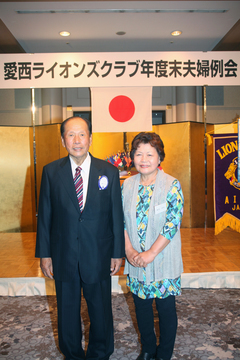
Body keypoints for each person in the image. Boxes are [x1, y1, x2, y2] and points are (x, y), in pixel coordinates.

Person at [35, 116, 125, 360]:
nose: (77, 140)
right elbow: (45, 216)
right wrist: (45, 254)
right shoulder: (51, 172)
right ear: (63, 139)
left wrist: (117, 252)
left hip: (99, 254)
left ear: (91, 138)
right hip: (63, 255)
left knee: (100, 311)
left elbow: (116, 215)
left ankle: (100, 353)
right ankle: (72, 354)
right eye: (71, 135)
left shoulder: (109, 172)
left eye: (82, 134)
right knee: (67, 311)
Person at [121, 132, 184, 360]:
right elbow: (120, 221)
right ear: (132, 158)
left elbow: (172, 224)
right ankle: (148, 349)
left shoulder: (171, 185)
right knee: (141, 308)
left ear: (160, 158)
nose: (144, 159)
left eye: (150, 154)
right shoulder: (127, 186)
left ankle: (164, 353)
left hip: (163, 261)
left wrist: (151, 254)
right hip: (136, 260)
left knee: (166, 310)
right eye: (139, 153)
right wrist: (129, 251)